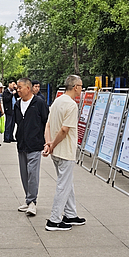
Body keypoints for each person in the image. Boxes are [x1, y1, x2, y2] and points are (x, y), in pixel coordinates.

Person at [42, 75, 86, 231]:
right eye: (81, 86)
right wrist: (52, 144)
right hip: (65, 150)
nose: (82, 89)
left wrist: (49, 144)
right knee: (63, 185)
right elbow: (64, 130)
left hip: (56, 151)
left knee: (67, 183)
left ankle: (71, 214)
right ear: (75, 87)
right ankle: (54, 220)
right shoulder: (72, 105)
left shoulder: (57, 101)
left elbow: (48, 125)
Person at [14, 77, 48, 216]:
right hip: (21, 144)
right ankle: (28, 200)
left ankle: (32, 201)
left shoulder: (39, 103)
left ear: (28, 88)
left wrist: (46, 141)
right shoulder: (17, 104)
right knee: (24, 174)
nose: (17, 90)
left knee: (32, 173)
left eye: (19, 87)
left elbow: (46, 122)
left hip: (35, 144)